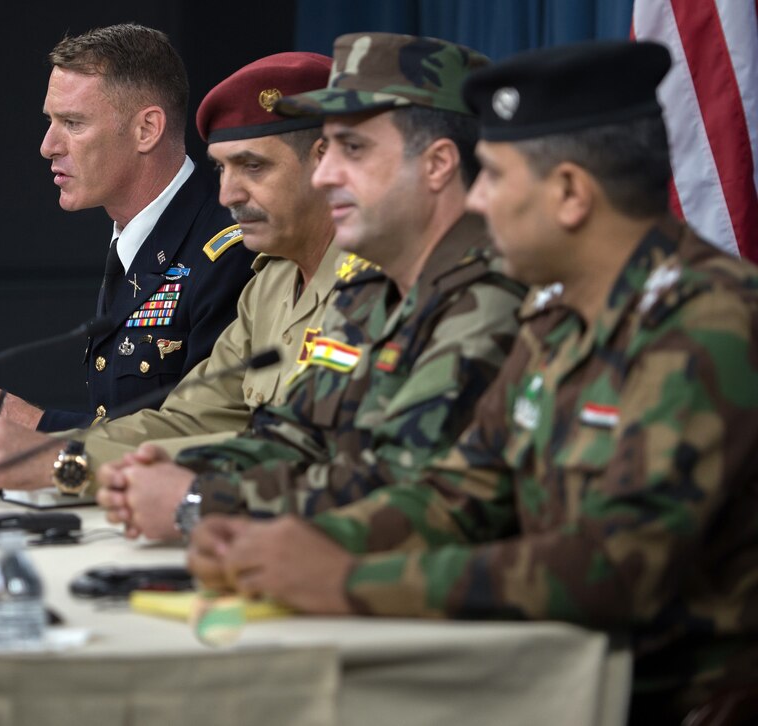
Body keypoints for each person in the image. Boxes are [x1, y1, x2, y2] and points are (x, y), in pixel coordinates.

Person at [188, 40, 758, 724]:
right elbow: (463, 490)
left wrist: (345, 579)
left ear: (572, 193)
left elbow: (615, 567)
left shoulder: (706, 322)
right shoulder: (557, 316)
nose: (477, 199)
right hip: (551, 683)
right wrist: (298, 545)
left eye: (493, 176)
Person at [98, 33, 526, 542]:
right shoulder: (372, 291)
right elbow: (293, 439)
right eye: (327, 150)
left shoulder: (490, 294)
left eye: (353, 149)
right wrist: (146, 473)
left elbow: (402, 490)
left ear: (437, 165)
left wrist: (197, 502)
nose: (325, 175)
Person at [0, 52, 351, 493]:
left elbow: (320, 461)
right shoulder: (271, 284)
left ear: (326, 163)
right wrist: (53, 456)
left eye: (253, 166)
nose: (229, 192)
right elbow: (186, 423)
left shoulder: (381, 285)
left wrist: (57, 455)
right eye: (222, 167)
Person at [0, 24, 255, 437]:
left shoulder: (229, 252)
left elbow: (200, 434)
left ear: (147, 130)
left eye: (73, 123)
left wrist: (37, 425)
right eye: (51, 121)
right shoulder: (134, 239)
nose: (48, 145)